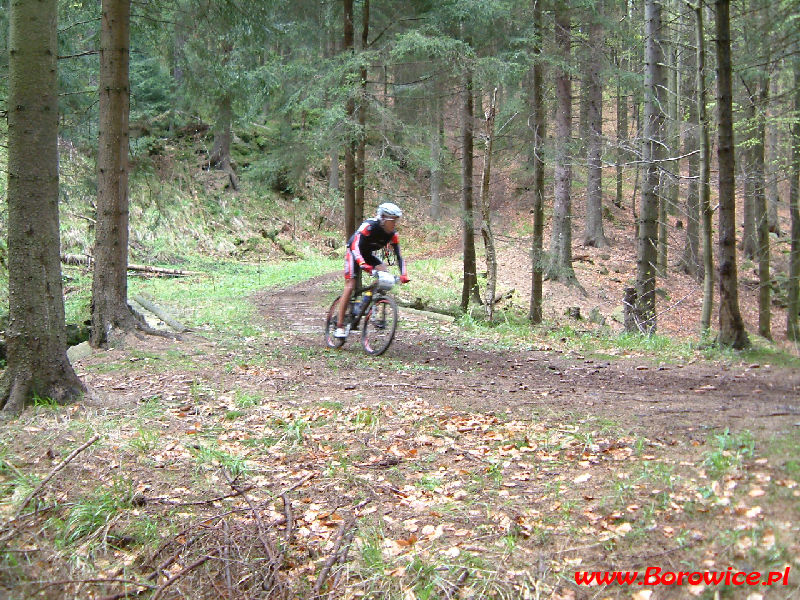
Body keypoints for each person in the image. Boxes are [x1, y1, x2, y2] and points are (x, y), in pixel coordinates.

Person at [335, 201, 409, 338]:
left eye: (396, 221)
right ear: (383, 218)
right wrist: (362, 263)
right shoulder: (369, 226)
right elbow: (355, 245)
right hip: (353, 252)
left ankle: (368, 303)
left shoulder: (393, 234)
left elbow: (399, 256)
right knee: (350, 285)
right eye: (392, 220)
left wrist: (403, 274)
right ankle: (339, 326)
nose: (394, 224)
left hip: (368, 255)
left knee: (384, 275)